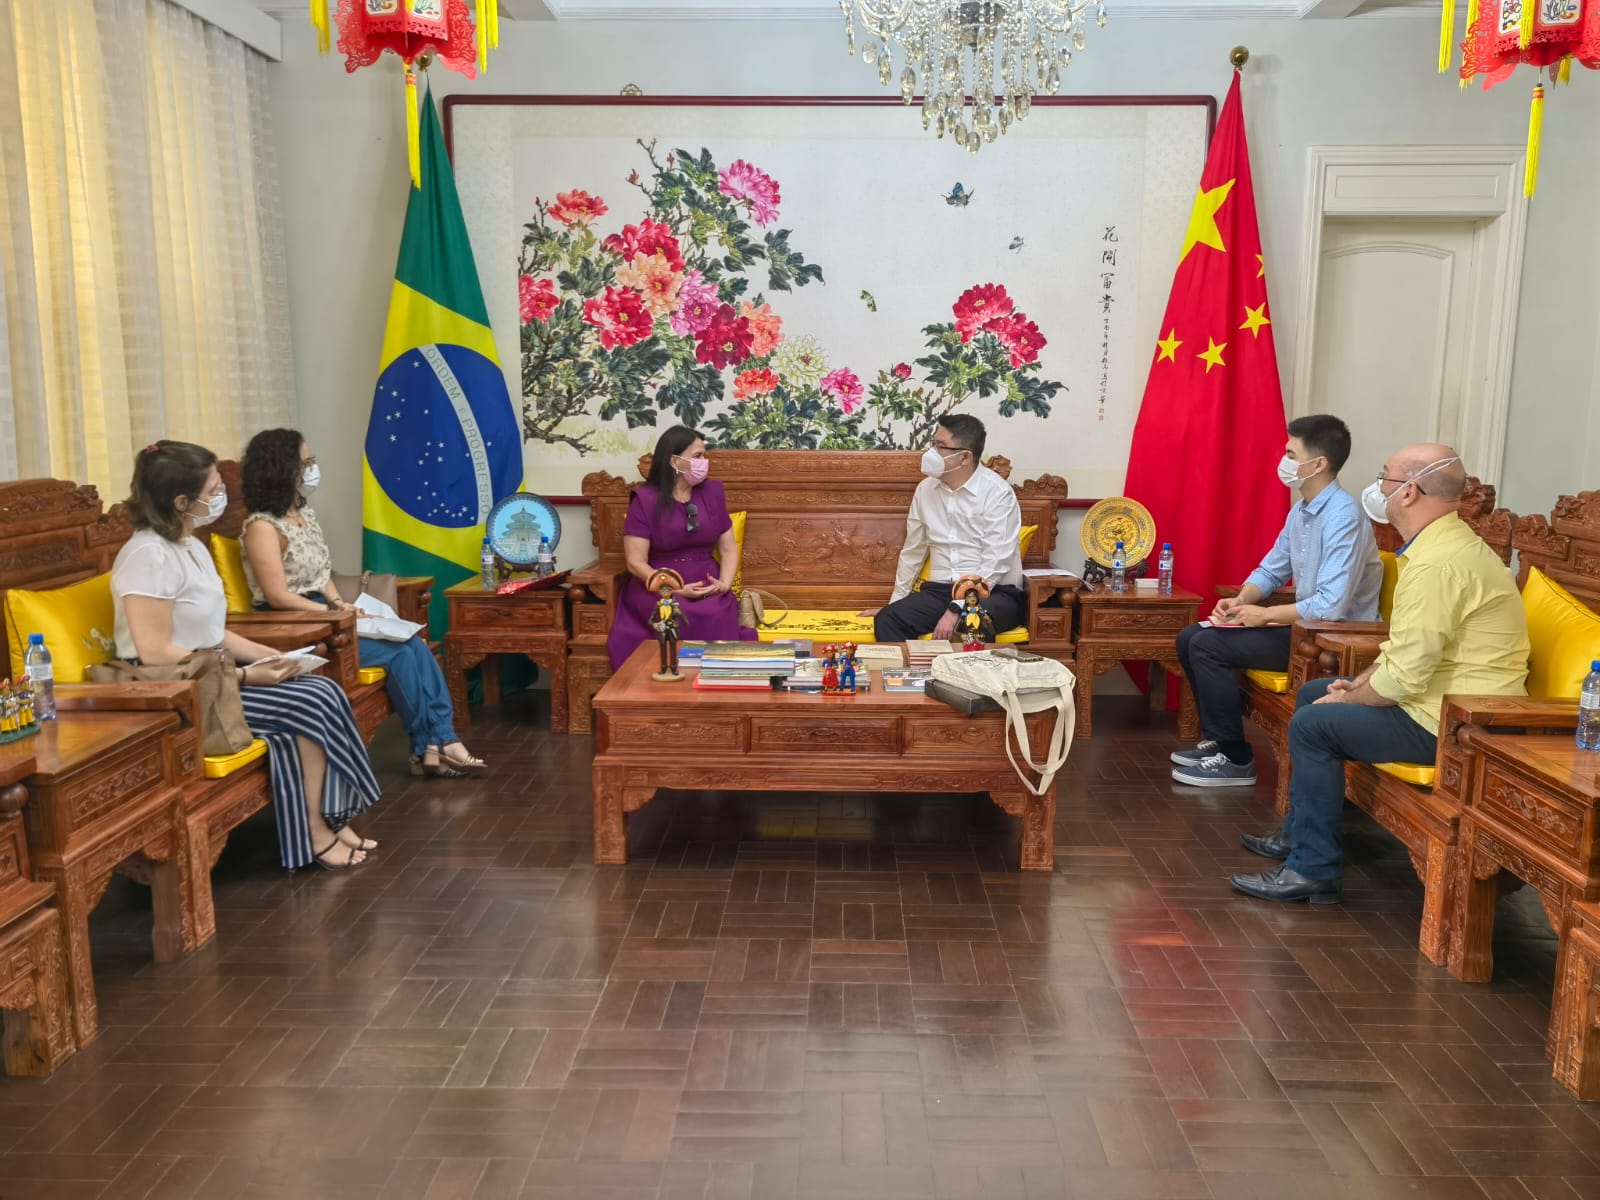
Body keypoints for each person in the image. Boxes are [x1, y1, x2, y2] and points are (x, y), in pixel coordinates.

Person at [1232, 445, 1530, 904]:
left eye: (1384, 477)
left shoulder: (1438, 563)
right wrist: (1356, 685)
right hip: (1436, 701)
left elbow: (1408, 676)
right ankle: (1299, 836)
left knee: (1314, 725)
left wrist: (1351, 699)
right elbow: (1405, 651)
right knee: (1315, 695)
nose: (1377, 488)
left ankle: (1314, 871)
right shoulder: (1440, 547)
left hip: (1458, 723)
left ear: (1409, 492)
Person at [111, 441, 381, 871]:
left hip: (213, 671)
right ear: (182, 501)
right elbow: (155, 652)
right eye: (214, 489)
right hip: (176, 689)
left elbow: (214, 633)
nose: (222, 496)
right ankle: (316, 832)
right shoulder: (146, 556)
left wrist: (276, 656)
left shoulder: (189, 545)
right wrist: (247, 678)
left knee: (322, 688)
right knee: (309, 704)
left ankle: (334, 816)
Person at [239, 429, 485, 780]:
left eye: (312, 462)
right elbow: (278, 596)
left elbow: (321, 571)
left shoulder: (302, 514)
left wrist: (343, 604)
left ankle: (436, 742)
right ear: (280, 469)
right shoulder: (261, 527)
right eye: (304, 464)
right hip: (292, 623)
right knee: (399, 653)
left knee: (413, 644)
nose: (312, 470)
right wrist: (332, 614)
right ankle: (433, 746)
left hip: (326, 611)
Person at [1171, 415, 1384, 787]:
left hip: (1332, 637)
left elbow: (1332, 605)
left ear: (1317, 464)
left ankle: (1236, 759)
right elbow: (1270, 571)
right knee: (1190, 637)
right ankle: (1220, 740)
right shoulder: (1301, 511)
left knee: (1208, 646)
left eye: (1290, 453)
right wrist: (1240, 602)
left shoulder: (1344, 516)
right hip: (1303, 627)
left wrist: (1265, 614)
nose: (1283, 461)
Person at [869, 415, 1026, 643]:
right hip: (939, 591)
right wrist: (897, 603)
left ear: (964, 457)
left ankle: (961, 679)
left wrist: (957, 608)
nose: (931, 453)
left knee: (972, 621)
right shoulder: (926, 490)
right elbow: (913, 551)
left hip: (993, 593)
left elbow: (996, 561)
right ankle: (916, 679)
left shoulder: (997, 492)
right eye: (933, 444)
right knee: (889, 619)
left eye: (941, 447)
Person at [606, 425, 750, 670]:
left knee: (715, 611)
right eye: (697, 456)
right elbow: (635, 562)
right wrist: (674, 589)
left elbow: (727, 549)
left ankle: (714, 687)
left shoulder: (712, 494)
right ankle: (669, 688)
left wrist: (724, 583)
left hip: (706, 581)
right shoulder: (645, 500)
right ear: (675, 461)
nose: (704, 462)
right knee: (674, 613)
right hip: (657, 585)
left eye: (704, 455)